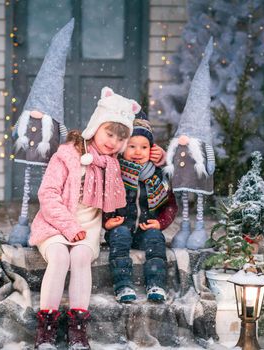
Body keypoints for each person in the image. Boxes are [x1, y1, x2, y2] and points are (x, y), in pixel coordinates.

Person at [29, 86, 150, 350]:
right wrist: (68, 227)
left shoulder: (113, 164)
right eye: (109, 133)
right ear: (96, 125)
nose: (113, 142)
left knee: (81, 256)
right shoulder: (68, 154)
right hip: (55, 222)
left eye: (121, 138)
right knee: (61, 256)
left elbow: (143, 162)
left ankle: (78, 328)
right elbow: (48, 195)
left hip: (88, 226)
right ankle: (47, 328)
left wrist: (159, 156)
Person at [104, 111, 178, 303]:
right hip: (121, 228)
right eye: (132, 146)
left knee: (156, 239)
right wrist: (107, 221)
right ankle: (123, 285)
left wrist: (159, 223)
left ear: (152, 150)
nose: (138, 152)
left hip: (145, 229)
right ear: (122, 148)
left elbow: (170, 205)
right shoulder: (115, 171)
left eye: (144, 147)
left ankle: (156, 283)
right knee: (120, 237)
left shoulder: (157, 175)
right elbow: (103, 199)